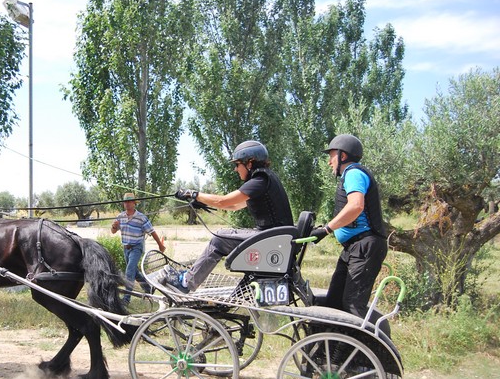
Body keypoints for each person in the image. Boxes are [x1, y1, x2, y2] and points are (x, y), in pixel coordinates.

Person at [167, 140, 293, 293]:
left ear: (250, 163)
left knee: (218, 240)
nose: (235, 169)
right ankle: (189, 277)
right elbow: (233, 206)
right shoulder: (266, 179)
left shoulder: (259, 181)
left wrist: (194, 194)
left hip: (269, 239)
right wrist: (202, 202)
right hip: (273, 238)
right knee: (224, 234)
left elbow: (223, 201)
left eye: (237, 164)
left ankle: (186, 282)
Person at [310, 134, 388, 321]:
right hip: (354, 248)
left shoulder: (353, 173)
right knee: (334, 302)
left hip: (365, 247)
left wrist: (326, 229)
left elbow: (356, 206)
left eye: (331, 156)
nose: (329, 162)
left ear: (342, 156)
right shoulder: (350, 174)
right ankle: (331, 348)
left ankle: (364, 349)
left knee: (353, 306)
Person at [111, 192, 167, 303]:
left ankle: (126, 298)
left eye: (129, 202)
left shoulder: (141, 218)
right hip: (125, 248)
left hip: (137, 247)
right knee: (134, 272)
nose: (127, 204)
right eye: (125, 202)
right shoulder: (120, 217)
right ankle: (148, 288)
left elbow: (152, 231)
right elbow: (113, 231)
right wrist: (114, 226)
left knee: (129, 271)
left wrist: (160, 245)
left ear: (134, 203)